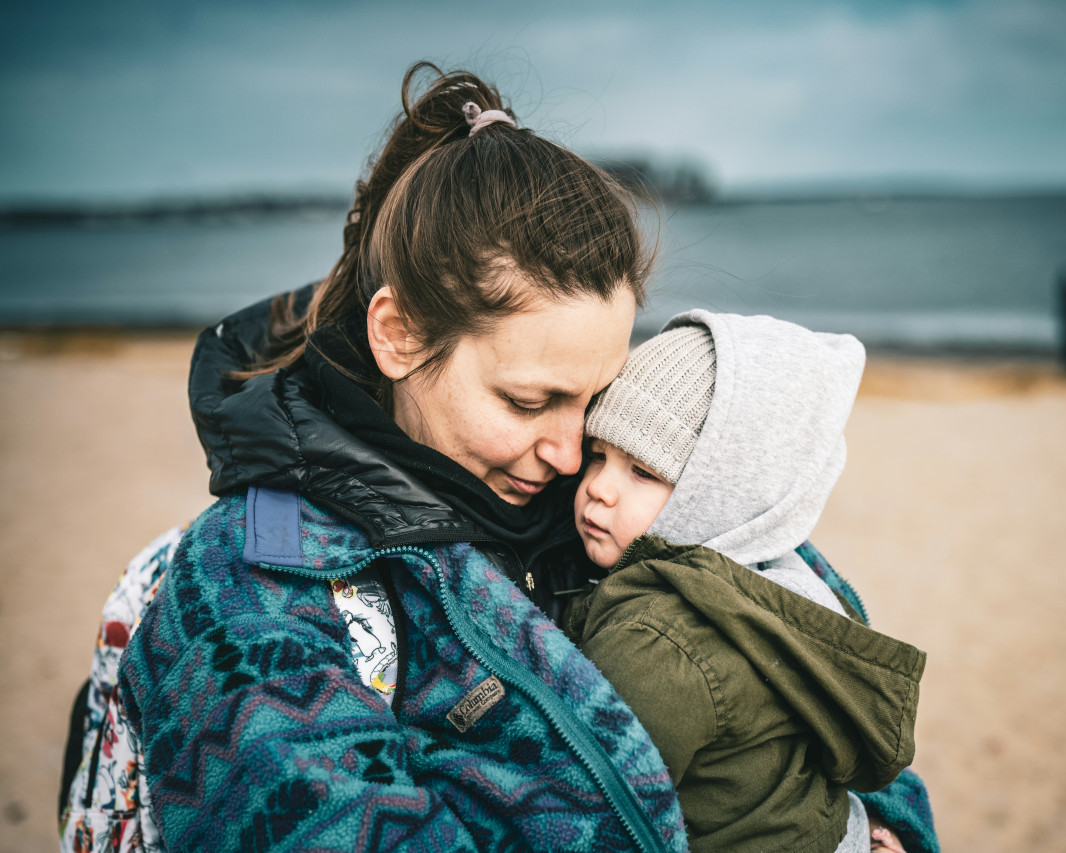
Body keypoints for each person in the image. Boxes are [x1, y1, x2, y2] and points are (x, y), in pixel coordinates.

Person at [61, 61, 687, 852]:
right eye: (529, 402)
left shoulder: (598, 496)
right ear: (397, 335)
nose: (572, 456)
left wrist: (881, 819)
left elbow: (790, 630)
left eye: (596, 402)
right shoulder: (251, 584)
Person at [564, 311, 927, 852]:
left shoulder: (659, 643)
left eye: (643, 472)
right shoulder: (783, 584)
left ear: (720, 493)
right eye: (598, 456)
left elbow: (587, 806)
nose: (599, 488)